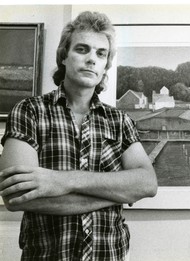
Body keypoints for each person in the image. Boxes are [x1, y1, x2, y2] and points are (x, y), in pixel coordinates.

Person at [0, 11, 158, 260]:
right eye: (82, 49)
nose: (92, 59)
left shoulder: (120, 121)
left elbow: (146, 184)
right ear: (64, 56)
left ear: (106, 64)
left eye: (101, 53)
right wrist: (113, 193)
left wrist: (62, 181)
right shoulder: (29, 111)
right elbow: (17, 196)